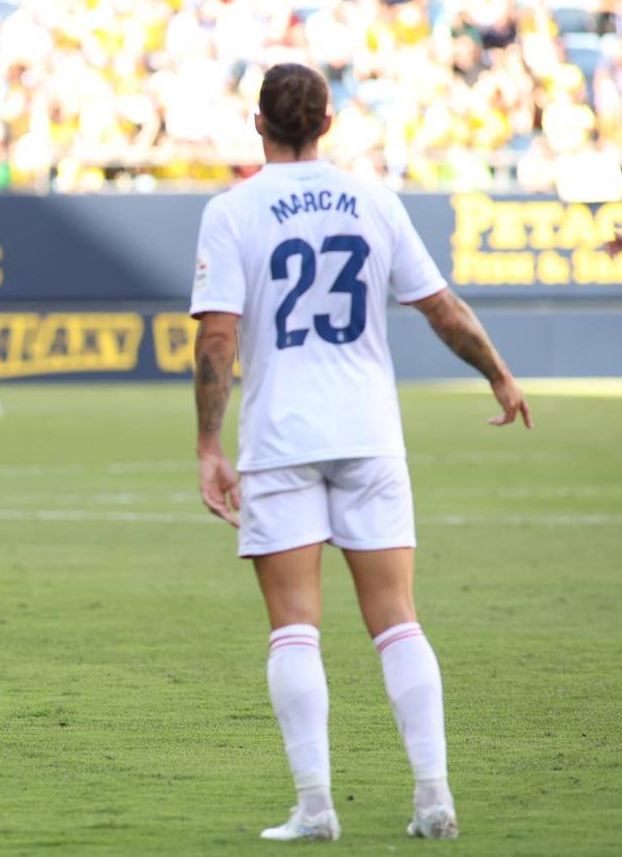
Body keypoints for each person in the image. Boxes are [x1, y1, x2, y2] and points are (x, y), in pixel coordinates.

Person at [190, 63, 532, 842]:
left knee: (294, 628)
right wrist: (498, 372)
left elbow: (217, 336)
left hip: (281, 438)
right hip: (370, 434)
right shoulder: (374, 199)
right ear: (328, 122)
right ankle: (434, 796)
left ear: (258, 123)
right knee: (398, 620)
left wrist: (209, 441)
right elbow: (441, 309)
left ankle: (316, 806)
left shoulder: (233, 209)